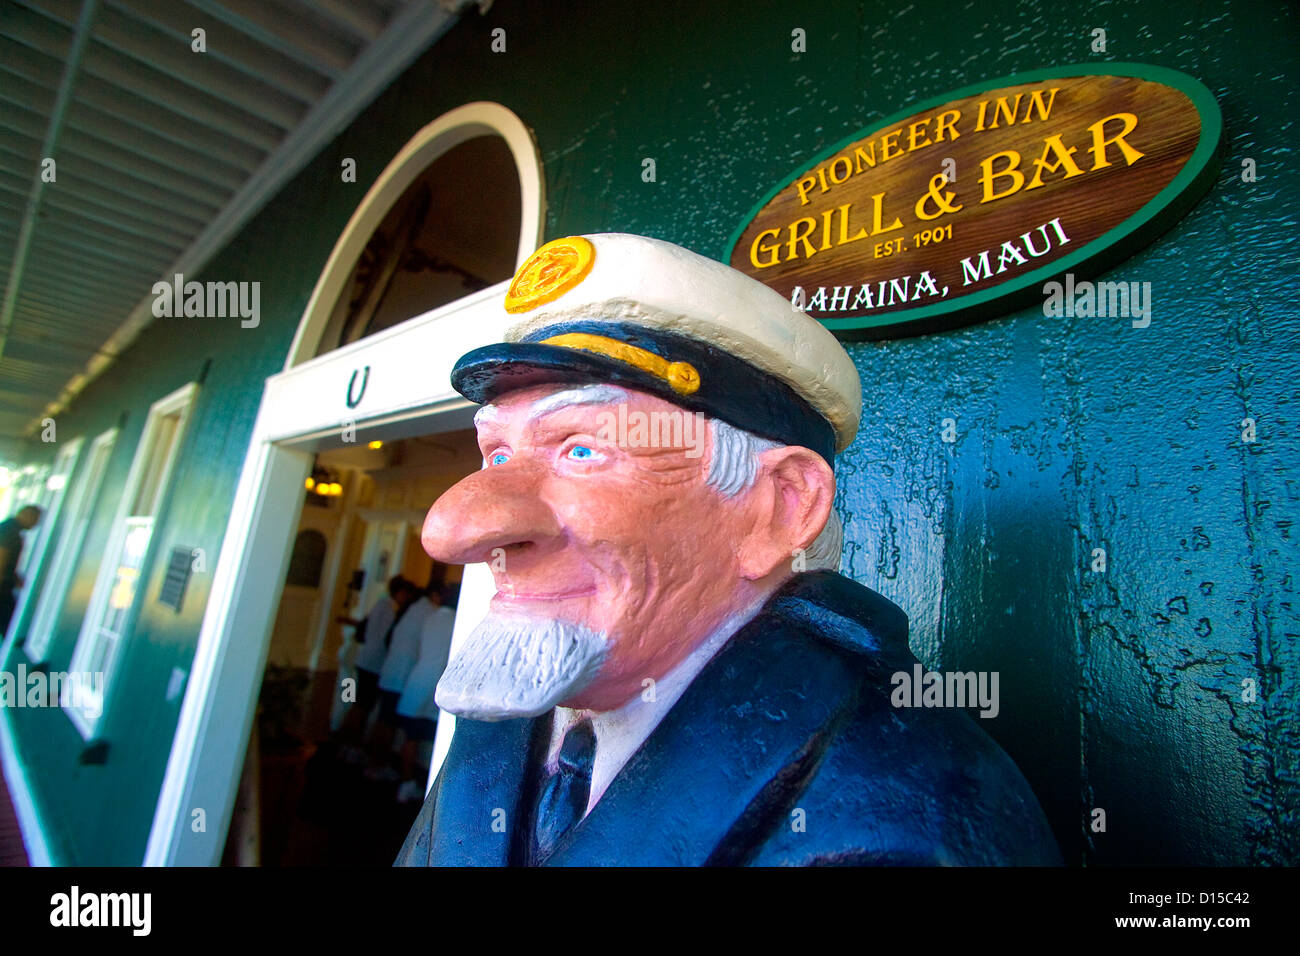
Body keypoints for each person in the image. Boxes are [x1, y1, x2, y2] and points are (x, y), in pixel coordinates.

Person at [396, 233, 1060, 866]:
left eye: (582, 448)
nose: (457, 529)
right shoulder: (510, 720)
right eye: (498, 452)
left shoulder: (921, 796)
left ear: (780, 508)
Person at [336, 575, 417, 752]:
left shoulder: (381, 605)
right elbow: (386, 637)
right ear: (401, 592)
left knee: (356, 703)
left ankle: (344, 743)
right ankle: (348, 744)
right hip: (374, 663)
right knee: (362, 706)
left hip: (364, 659)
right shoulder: (388, 609)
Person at [393, 583, 458, 803]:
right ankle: (431, 793)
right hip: (438, 683)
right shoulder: (456, 623)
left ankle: (406, 782)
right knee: (438, 740)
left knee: (411, 737)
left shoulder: (430, 617)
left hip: (418, 679)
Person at [369, 581, 438, 778]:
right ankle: (377, 766)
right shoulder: (428, 613)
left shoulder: (411, 610)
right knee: (387, 723)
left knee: (382, 719)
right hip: (401, 674)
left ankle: (373, 762)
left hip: (390, 670)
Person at [0, 505, 42, 635]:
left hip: (6, 585)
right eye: (36, 520)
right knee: (9, 623)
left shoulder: (11, 529)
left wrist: (14, 576)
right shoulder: (8, 530)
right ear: (26, 515)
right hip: (2, 588)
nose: (36, 524)